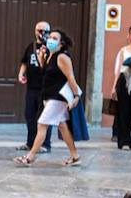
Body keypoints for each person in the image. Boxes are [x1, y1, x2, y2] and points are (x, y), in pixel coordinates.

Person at [15, 29, 82, 167]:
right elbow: (46, 74)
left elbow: (70, 77)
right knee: (62, 126)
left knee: (41, 124)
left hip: (58, 97)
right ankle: (75, 156)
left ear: (61, 43)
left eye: (54, 38)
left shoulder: (62, 57)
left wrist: (76, 96)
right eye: (50, 37)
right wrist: (41, 60)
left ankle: (30, 157)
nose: (50, 39)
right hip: (49, 96)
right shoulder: (50, 55)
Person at [17, 20, 53, 154]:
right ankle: (30, 142)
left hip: (46, 88)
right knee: (30, 115)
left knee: (45, 117)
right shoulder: (30, 46)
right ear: (35, 31)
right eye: (40, 30)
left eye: (46, 31)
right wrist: (21, 74)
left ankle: (45, 144)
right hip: (32, 87)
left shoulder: (51, 47)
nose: (42, 33)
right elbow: (24, 62)